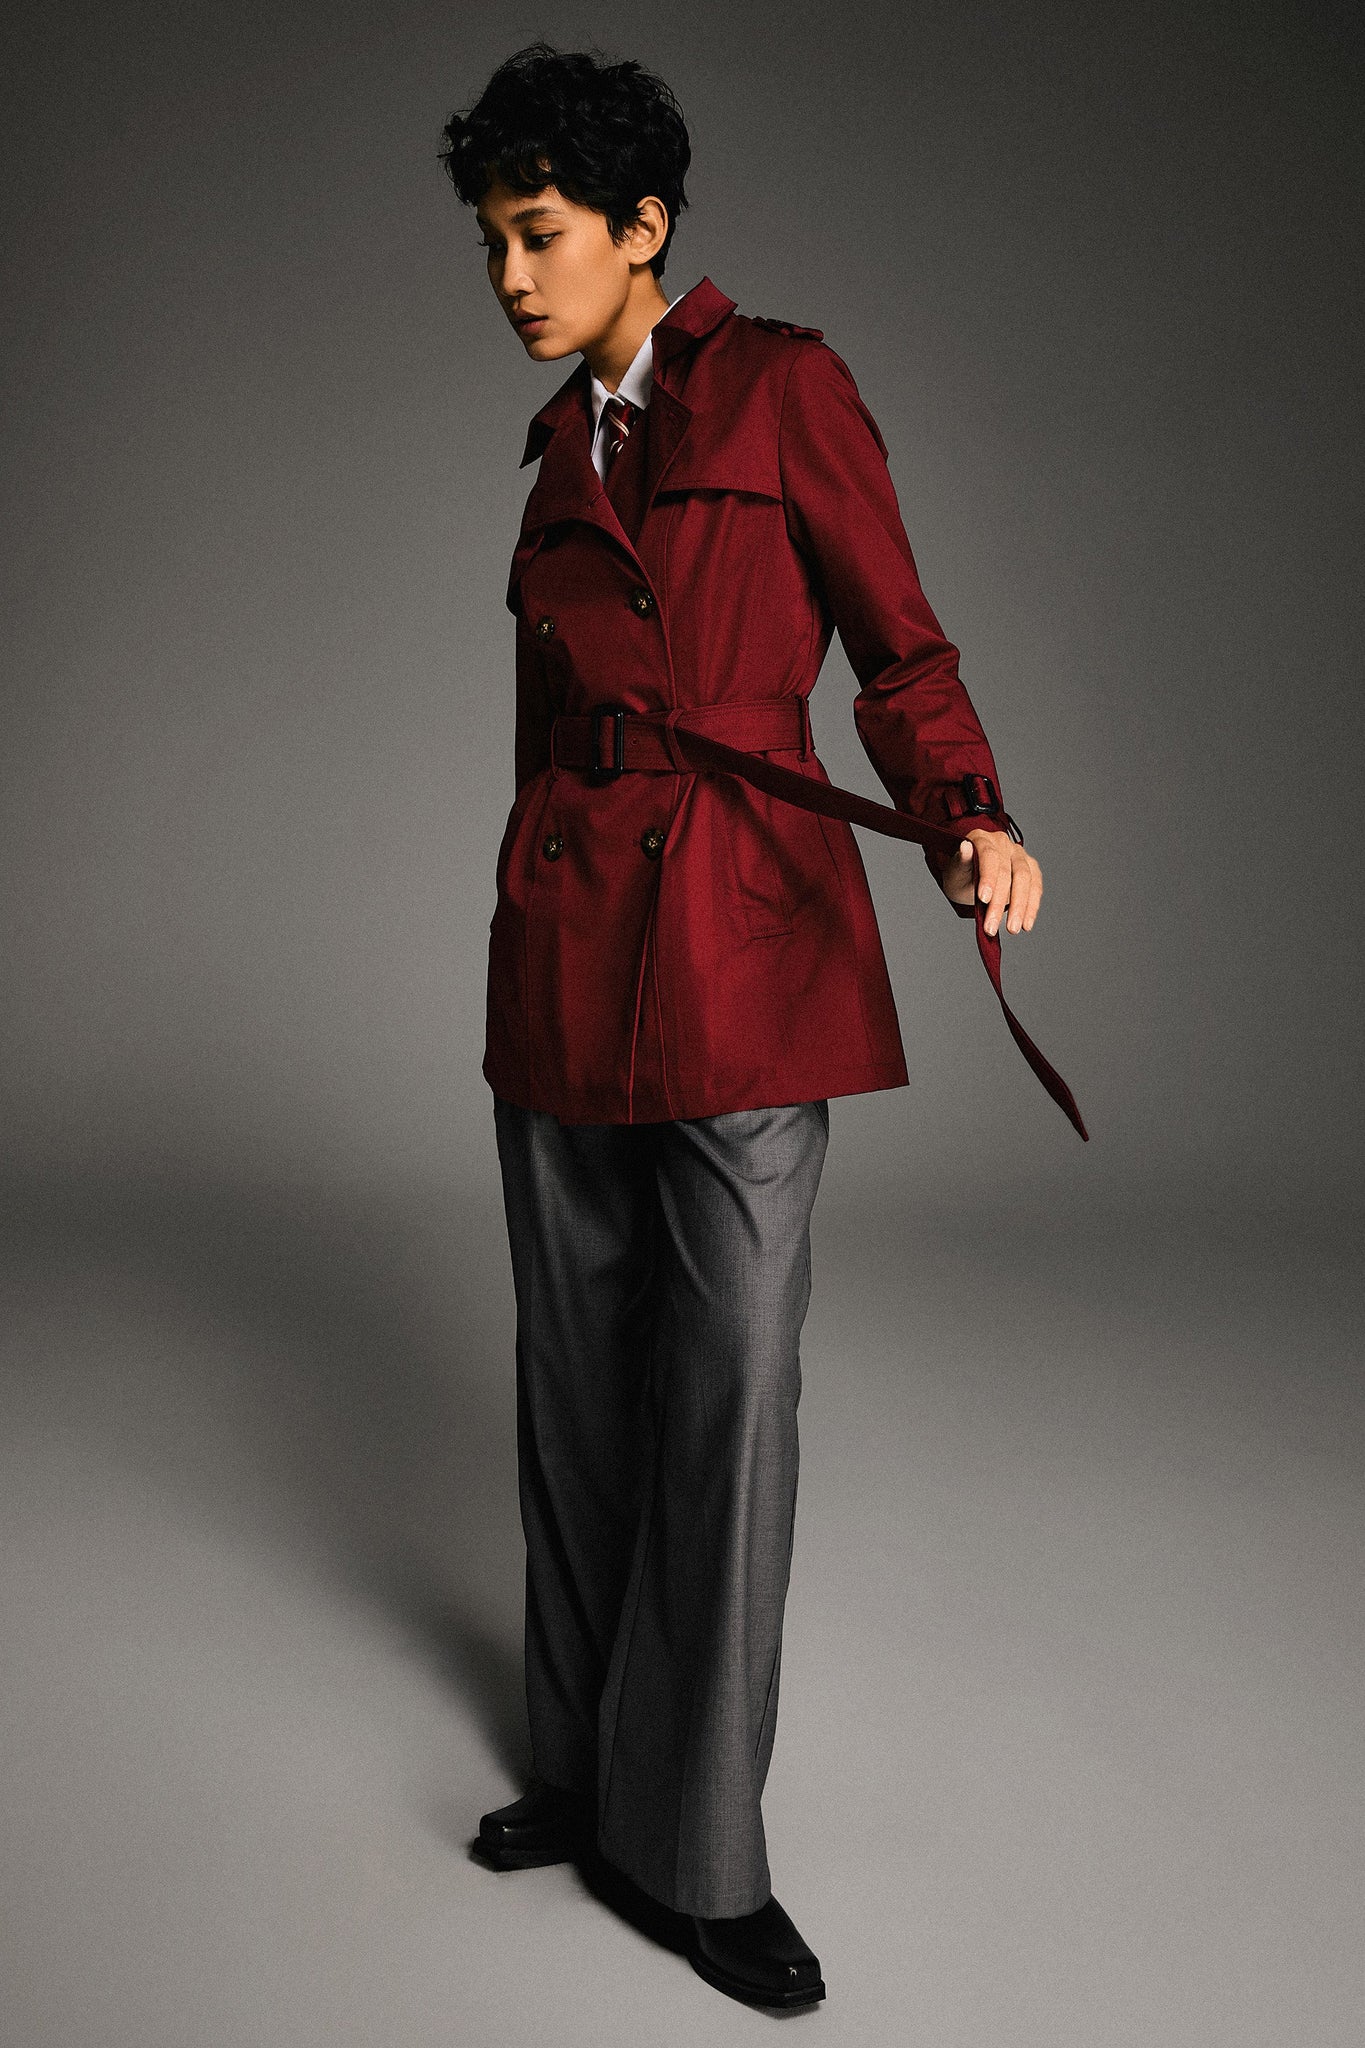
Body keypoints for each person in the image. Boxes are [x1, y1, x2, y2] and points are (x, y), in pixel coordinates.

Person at [439, 41, 1070, 2013]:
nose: (509, 275)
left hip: (742, 939)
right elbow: (547, 732)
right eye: (489, 241)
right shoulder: (556, 446)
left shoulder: (783, 384)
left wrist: (967, 813)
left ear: (641, 227)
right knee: (574, 1383)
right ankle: (578, 1771)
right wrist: (523, 893)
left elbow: (899, 645)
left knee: (725, 1394)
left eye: (538, 233)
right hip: (566, 942)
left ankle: (695, 1854)